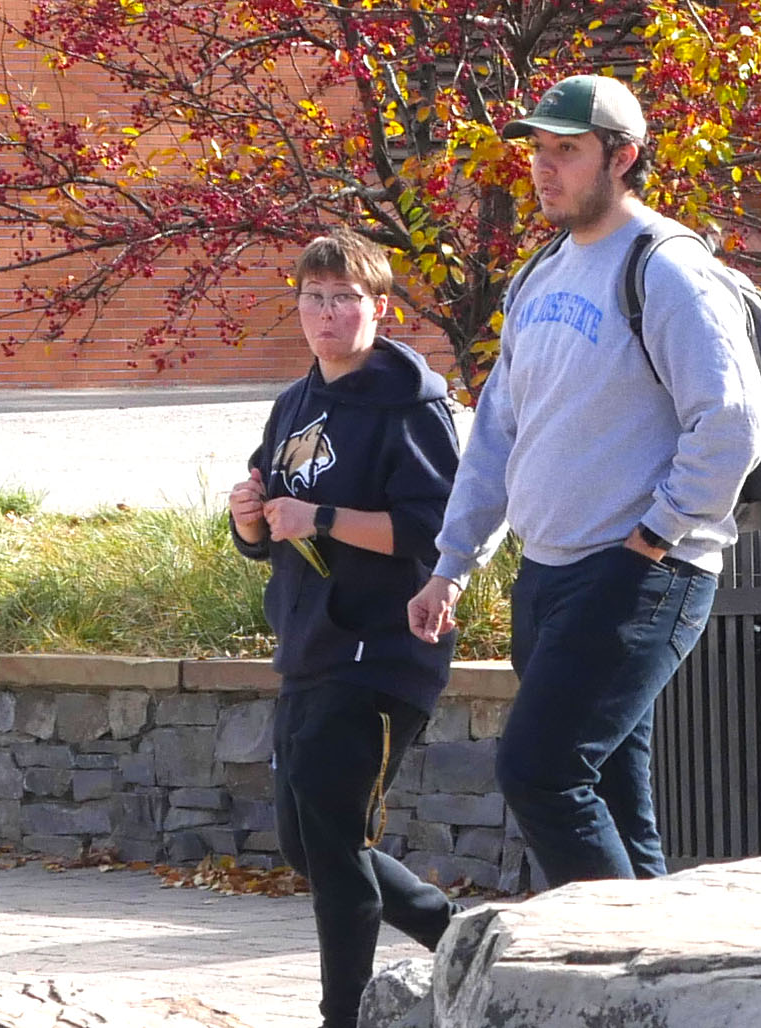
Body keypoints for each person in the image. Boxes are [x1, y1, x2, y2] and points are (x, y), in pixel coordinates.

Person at [408, 74, 761, 887]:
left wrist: (657, 533)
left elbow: (732, 424)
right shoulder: (540, 273)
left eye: (566, 150)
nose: (543, 167)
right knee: (609, 792)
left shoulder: (667, 268)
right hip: (548, 572)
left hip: (639, 570)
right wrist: (451, 563)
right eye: (538, 148)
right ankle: (666, 988)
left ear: (622, 156)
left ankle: (606, 973)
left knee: (541, 773)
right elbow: (500, 429)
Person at [224, 230, 462, 1028]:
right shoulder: (295, 402)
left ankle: (343, 1016)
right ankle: (459, 937)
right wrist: (250, 520)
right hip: (309, 647)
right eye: (313, 299)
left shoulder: (412, 406)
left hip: (381, 652)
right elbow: (268, 529)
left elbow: (430, 534)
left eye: (343, 299)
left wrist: (319, 515)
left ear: (379, 308)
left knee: (332, 846)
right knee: (309, 842)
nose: (326, 315)